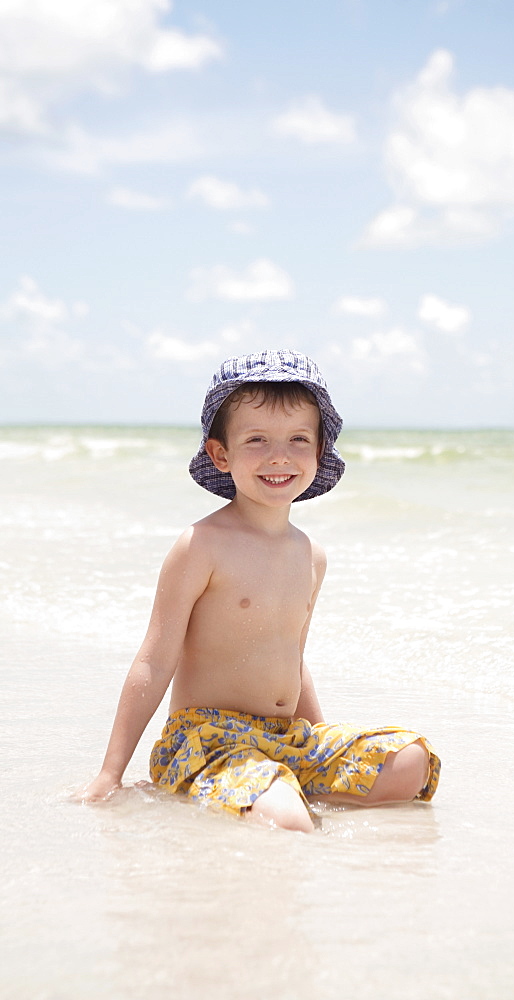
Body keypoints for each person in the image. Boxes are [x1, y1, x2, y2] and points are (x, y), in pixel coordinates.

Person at [83, 350, 440, 832]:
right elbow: (155, 657)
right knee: (291, 823)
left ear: (318, 452)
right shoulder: (201, 545)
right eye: (257, 440)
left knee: (410, 759)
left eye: (298, 439)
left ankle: (283, 784)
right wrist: (111, 773)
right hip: (210, 740)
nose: (279, 456)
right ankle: (255, 792)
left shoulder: (311, 555)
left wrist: (317, 744)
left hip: (284, 738)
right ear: (220, 454)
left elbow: (292, 657)